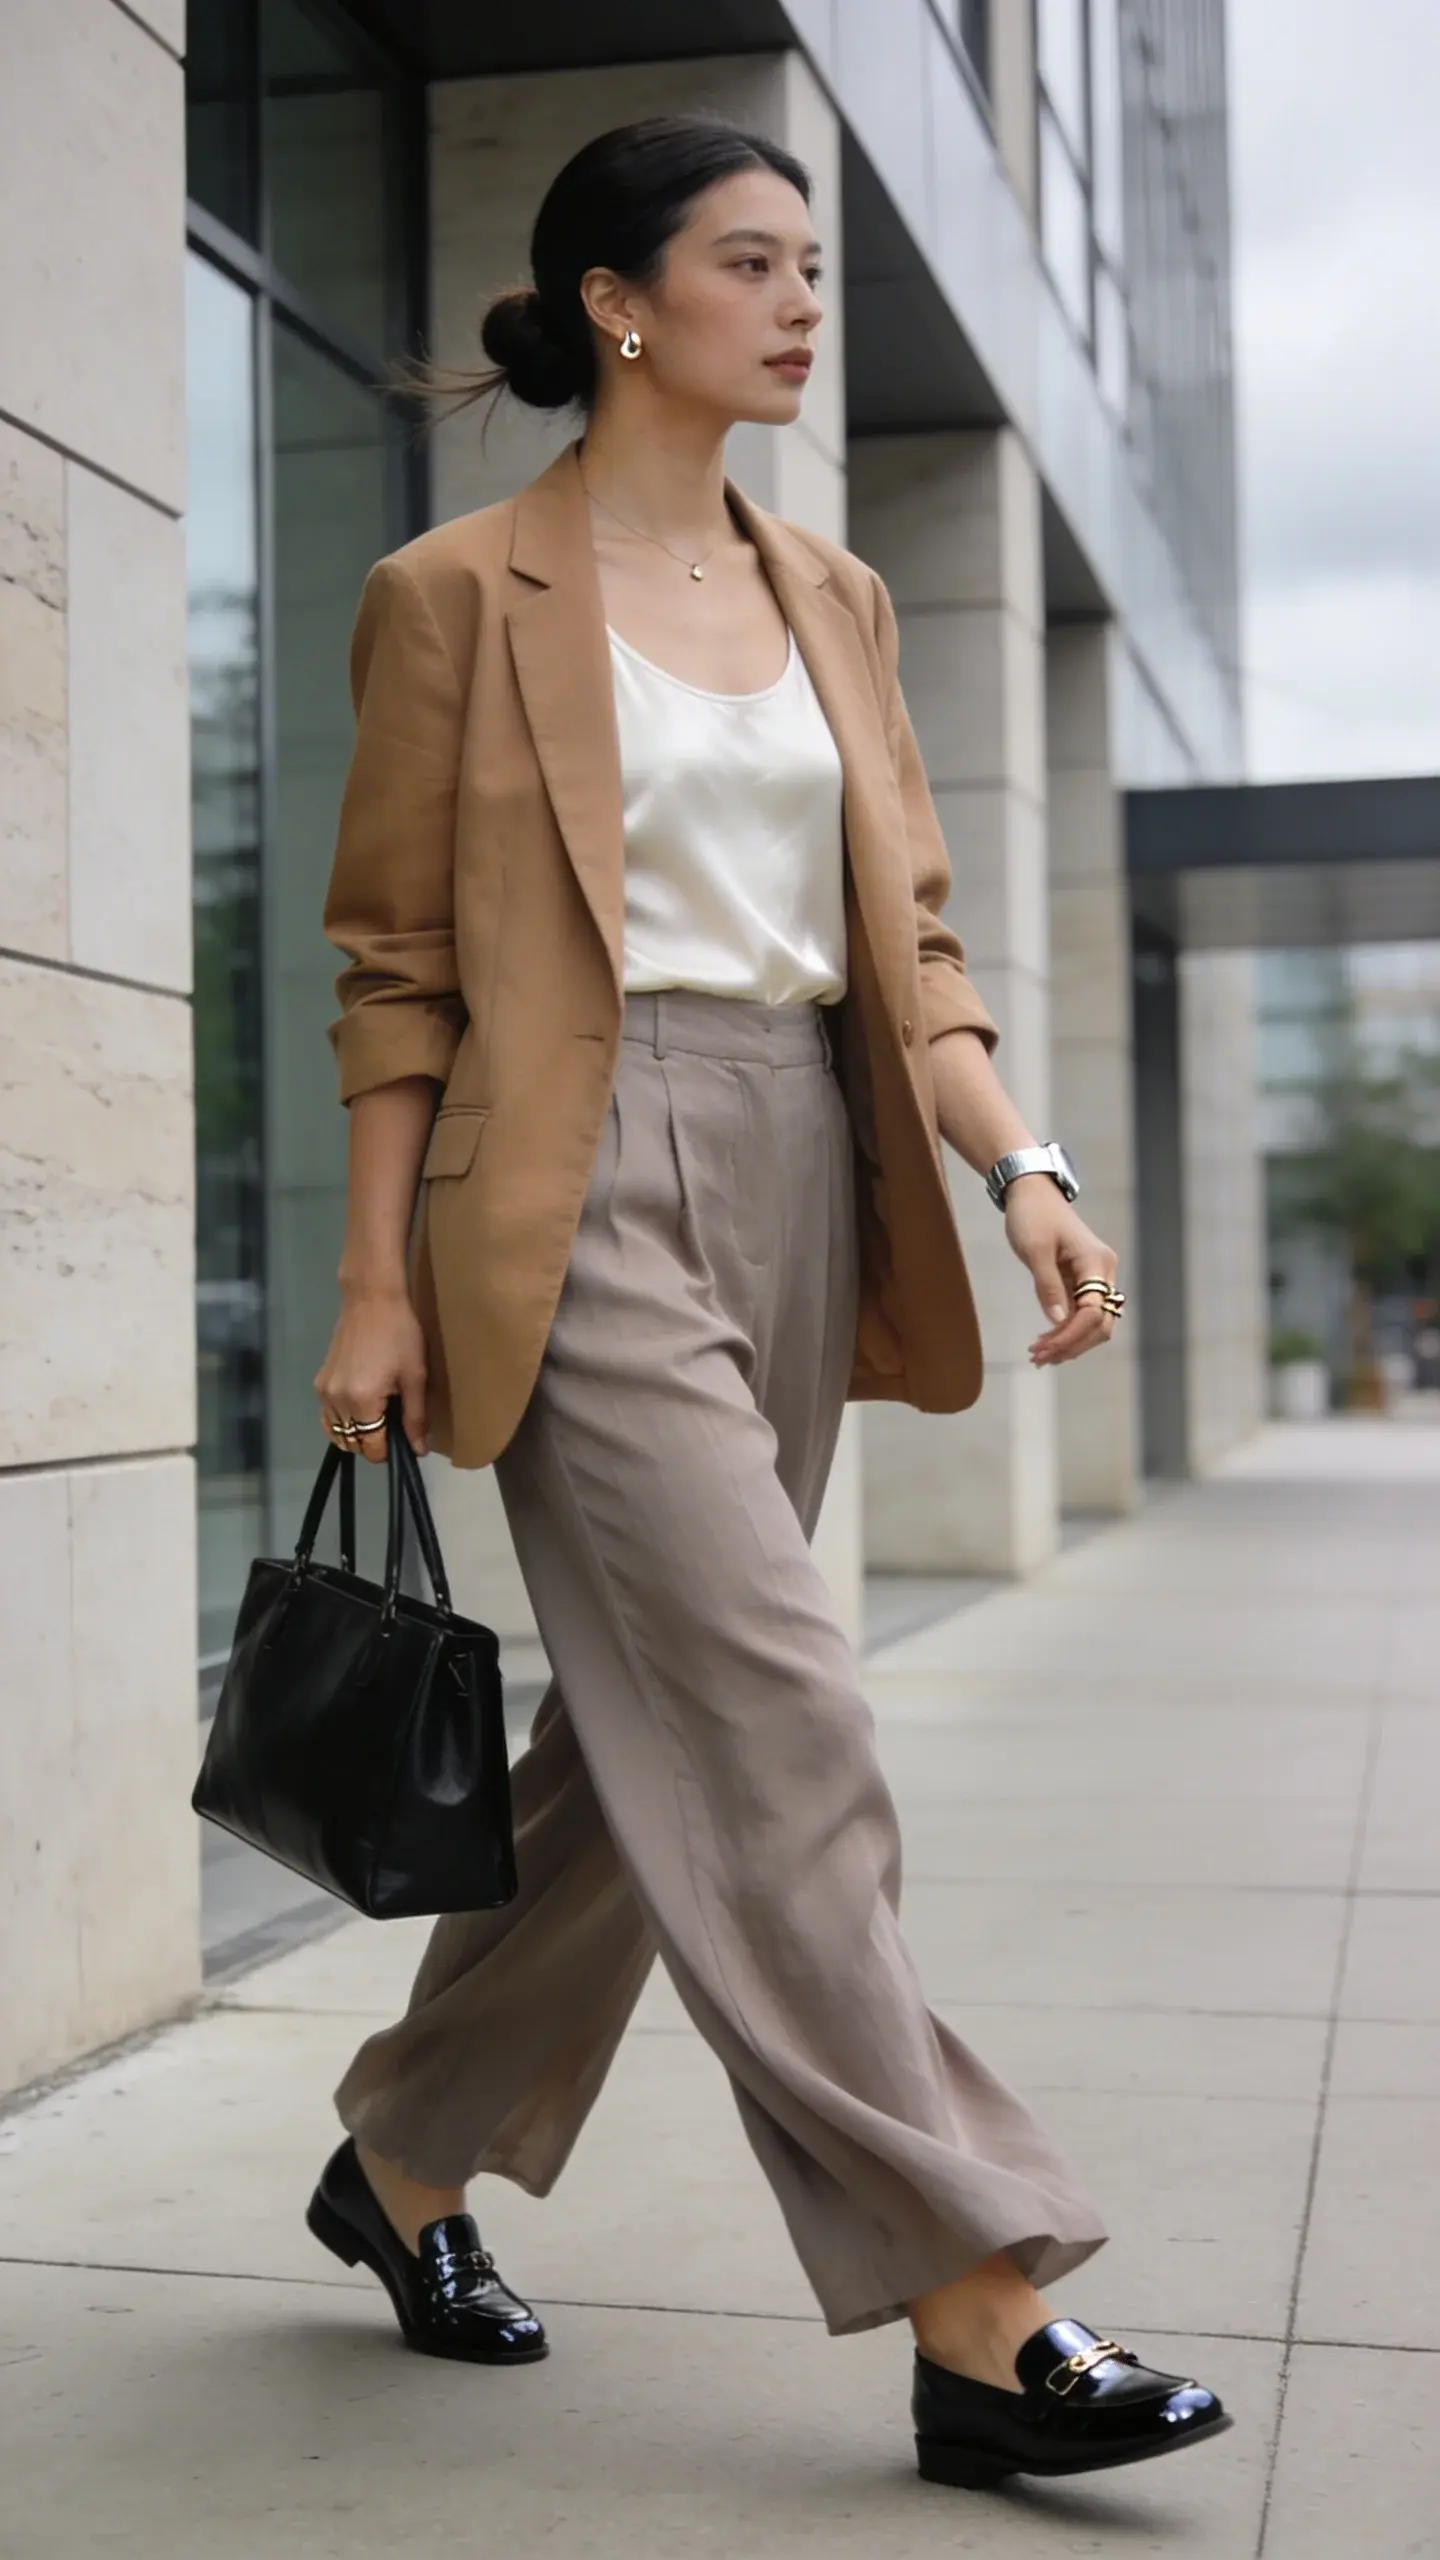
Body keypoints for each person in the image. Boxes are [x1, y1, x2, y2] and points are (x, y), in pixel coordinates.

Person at [306, 112, 1230, 2494]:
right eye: (754, 260)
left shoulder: (835, 591)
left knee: (651, 1755)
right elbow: (396, 978)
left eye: (814, 260)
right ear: (622, 301)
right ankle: (976, 2293)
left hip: (804, 1167)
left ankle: (401, 2160)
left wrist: (1014, 1160)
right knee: (784, 1715)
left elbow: (910, 938)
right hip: (570, 1185)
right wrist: (370, 1287)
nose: (803, 300)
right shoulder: (449, 593)